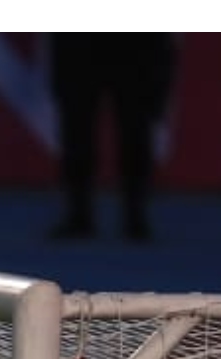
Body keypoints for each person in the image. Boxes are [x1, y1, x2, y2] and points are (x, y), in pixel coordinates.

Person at [48, 34, 177, 241]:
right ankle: (79, 215)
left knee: (135, 133)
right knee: (77, 134)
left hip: (135, 47)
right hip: (80, 47)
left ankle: (135, 217)